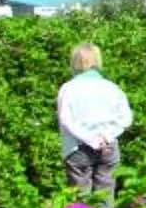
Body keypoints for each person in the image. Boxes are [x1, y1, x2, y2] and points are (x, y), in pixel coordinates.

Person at [57, 43, 133, 196]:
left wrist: (88, 138)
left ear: (74, 62)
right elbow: (126, 119)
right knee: (106, 193)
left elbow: (65, 119)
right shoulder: (112, 87)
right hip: (108, 146)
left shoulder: (68, 88)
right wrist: (106, 136)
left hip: (77, 147)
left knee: (80, 195)